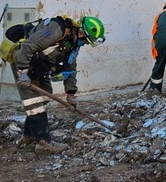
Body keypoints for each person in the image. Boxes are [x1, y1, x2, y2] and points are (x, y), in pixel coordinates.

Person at [13, 15, 105, 154]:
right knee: (34, 102)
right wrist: (22, 71)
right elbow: (28, 46)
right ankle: (44, 144)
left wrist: (71, 94)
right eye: (86, 40)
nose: (86, 43)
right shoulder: (57, 30)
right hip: (23, 63)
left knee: (43, 99)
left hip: (39, 67)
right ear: (80, 32)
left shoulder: (74, 45)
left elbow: (70, 69)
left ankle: (29, 135)